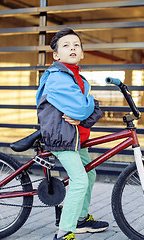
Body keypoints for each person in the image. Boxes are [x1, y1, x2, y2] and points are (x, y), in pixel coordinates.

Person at [36, 28, 109, 240]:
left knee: (90, 172)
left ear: (82, 53)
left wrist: (85, 111)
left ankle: (81, 219)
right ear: (56, 55)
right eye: (66, 45)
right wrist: (87, 108)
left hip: (75, 137)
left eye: (76, 44)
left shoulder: (79, 79)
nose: (72, 48)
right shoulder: (57, 77)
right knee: (80, 180)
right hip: (62, 138)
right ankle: (65, 231)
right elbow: (84, 108)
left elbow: (91, 110)